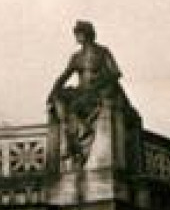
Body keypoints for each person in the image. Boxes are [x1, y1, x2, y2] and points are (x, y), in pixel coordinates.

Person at [48, 21, 125, 166]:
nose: (77, 36)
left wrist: (99, 84)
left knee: (76, 106)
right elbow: (64, 76)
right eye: (76, 33)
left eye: (79, 32)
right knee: (58, 98)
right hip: (81, 91)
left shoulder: (102, 52)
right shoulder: (76, 57)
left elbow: (115, 73)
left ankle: (76, 136)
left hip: (97, 91)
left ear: (88, 34)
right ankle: (77, 130)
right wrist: (53, 91)